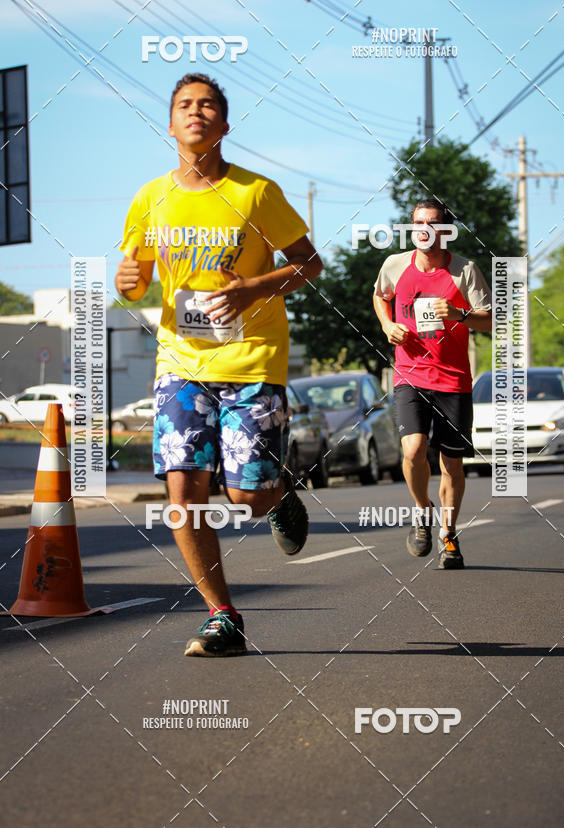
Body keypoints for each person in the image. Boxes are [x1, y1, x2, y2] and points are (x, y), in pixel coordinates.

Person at [115, 73, 322, 656]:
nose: (196, 112)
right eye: (184, 104)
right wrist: (127, 282)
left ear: (225, 126)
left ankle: (277, 495)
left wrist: (254, 287)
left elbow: (311, 265)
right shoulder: (150, 198)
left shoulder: (257, 193)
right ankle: (221, 615)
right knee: (183, 490)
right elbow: (135, 280)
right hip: (180, 362)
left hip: (252, 363)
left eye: (208, 105)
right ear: (172, 123)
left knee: (245, 499)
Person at [373, 200, 492, 569]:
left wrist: (459, 314)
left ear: (446, 229)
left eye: (433, 223)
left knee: (452, 465)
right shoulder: (395, 264)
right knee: (412, 451)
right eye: (418, 223)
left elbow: (490, 321)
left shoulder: (464, 272)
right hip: (410, 375)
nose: (425, 229)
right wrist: (387, 326)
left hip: (453, 380)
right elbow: (380, 295)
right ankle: (423, 510)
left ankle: (449, 534)